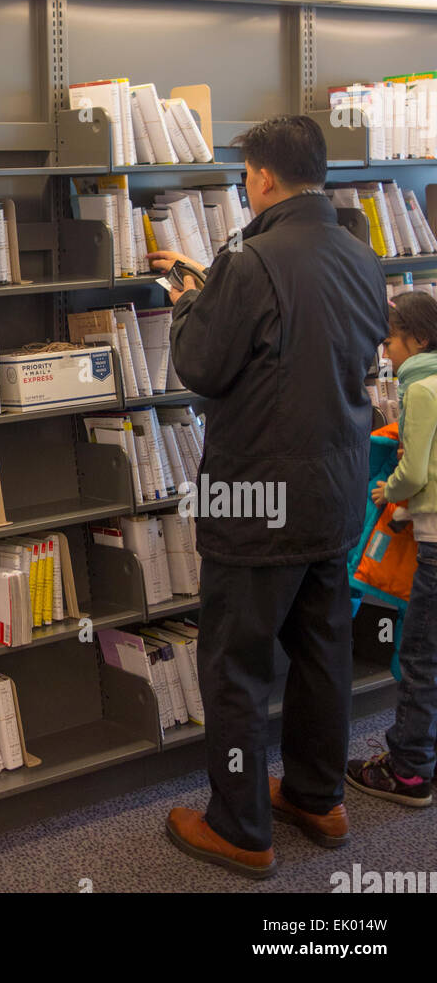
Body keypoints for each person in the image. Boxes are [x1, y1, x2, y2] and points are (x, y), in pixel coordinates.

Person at [150, 115, 389, 878]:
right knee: (322, 651)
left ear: (258, 178)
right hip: (338, 488)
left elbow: (200, 366)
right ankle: (318, 798)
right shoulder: (362, 255)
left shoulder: (247, 263)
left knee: (235, 665)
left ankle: (240, 828)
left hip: (254, 499)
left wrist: (190, 299)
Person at [347, 292, 437, 807]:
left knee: (419, 659)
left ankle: (407, 771)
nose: (386, 354)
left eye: (391, 341)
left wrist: (389, 493)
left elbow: (416, 472)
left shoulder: (420, 388)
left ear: (418, 340)